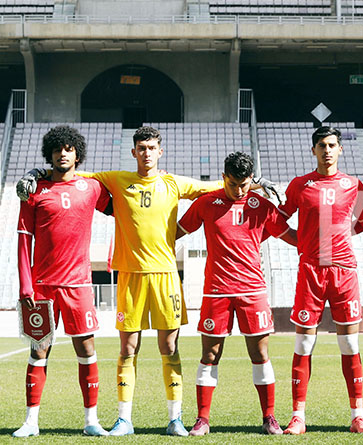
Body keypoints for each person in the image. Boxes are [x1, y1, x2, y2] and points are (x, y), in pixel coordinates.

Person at [17, 126, 281, 436]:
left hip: (166, 276)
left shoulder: (173, 183)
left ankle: (176, 418)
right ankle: (123, 420)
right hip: (130, 276)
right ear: (134, 152)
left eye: (152, 147)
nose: (146, 153)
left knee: (169, 346)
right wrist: (36, 172)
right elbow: (73, 173)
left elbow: (213, 187)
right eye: (141, 148)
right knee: (127, 348)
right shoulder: (116, 179)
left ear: (160, 151)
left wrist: (256, 183)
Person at [175, 152, 297, 435]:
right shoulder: (206, 203)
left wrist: (317, 242)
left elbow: (289, 235)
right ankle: (202, 419)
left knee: (260, 353)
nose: (239, 190)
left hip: (252, 290)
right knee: (210, 354)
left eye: (244, 185)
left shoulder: (262, 206)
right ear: (224, 177)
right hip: (216, 291)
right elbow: (177, 231)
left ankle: (269, 417)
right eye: (233, 184)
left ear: (250, 180)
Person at [278, 126, 363, 435]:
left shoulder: (353, 185)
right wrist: (300, 242)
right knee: (304, 343)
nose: (327, 150)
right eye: (322, 145)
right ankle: (298, 416)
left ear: (340, 149)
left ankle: (358, 416)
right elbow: (279, 219)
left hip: (344, 272)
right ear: (313, 150)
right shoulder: (300, 185)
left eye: (332, 145)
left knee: (350, 343)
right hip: (311, 270)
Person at [13, 126, 112, 437]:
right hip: (41, 286)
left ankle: (91, 421)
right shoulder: (33, 192)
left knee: (86, 348)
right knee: (39, 350)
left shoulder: (92, 188)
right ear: (50, 154)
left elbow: (123, 208)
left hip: (79, 285)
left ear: (77, 154)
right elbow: (22, 240)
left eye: (68, 149)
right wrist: (25, 286)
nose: (62, 153)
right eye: (57, 149)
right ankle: (31, 422)